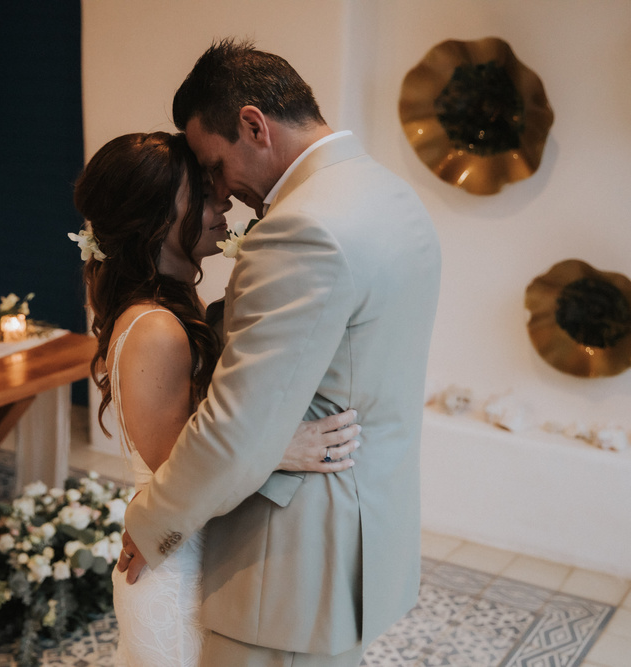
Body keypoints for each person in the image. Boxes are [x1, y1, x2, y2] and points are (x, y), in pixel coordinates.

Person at [116, 39, 442, 666]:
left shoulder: (303, 228)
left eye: (213, 164)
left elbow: (237, 430)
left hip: (290, 566)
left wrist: (150, 524)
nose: (220, 191)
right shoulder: (388, 194)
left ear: (253, 126)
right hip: (365, 537)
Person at [71, 131, 362, 666]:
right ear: (157, 216)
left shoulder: (176, 308)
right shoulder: (156, 328)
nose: (223, 200)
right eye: (202, 193)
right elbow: (177, 474)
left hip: (196, 554)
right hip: (174, 574)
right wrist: (282, 446)